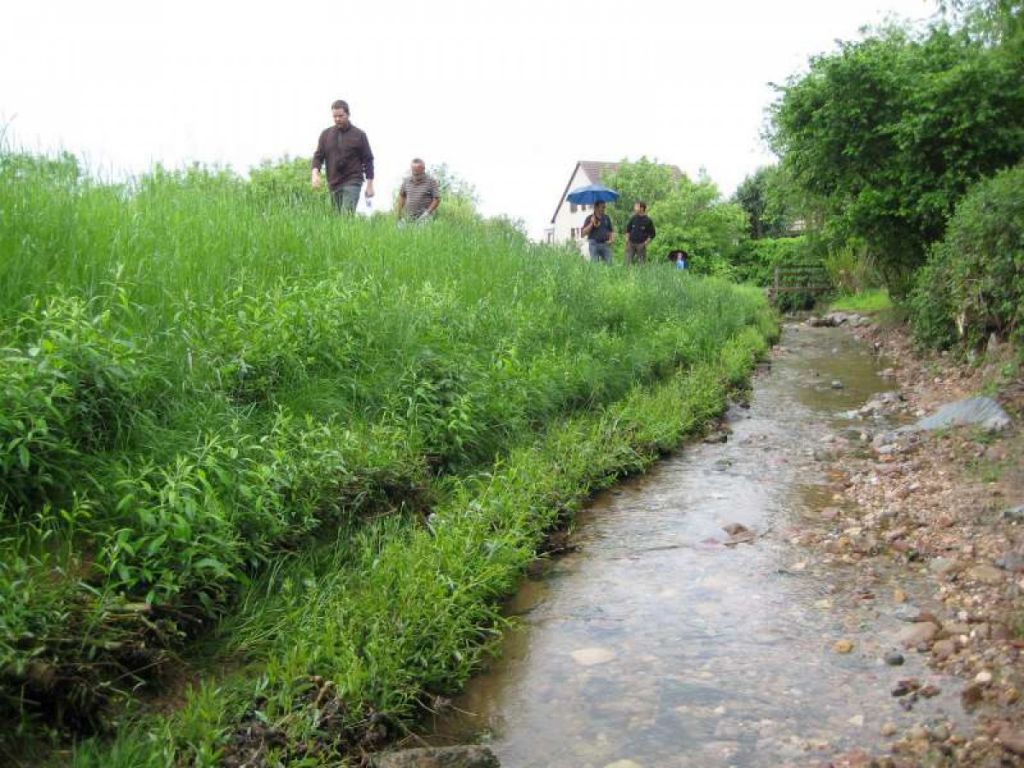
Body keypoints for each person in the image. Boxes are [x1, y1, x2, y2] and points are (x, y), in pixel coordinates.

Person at [311, 99, 375, 213]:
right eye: (335, 116)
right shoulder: (326, 135)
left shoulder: (359, 135)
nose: (337, 119)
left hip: (353, 181)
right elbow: (318, 156)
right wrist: (315, 174)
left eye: (341, 116)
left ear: (348, 114)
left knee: (346, 216)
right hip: (333, 183)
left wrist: (370, 185)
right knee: (336, 221)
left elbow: (368, 160)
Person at [396, 158, 441, 223]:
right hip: (408, 216)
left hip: (425, 217)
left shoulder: (431, 181)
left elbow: (437, 199)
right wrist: (399, 214)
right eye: (414, 173)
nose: (416, 175)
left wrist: (427, 213)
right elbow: (402, 196)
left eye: (418, 173)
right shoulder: (406, 181)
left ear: (423, 169)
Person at [624, 201, 656, 265]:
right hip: (631, 243)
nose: (634, 208)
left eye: (636, 206)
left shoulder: (648, 220)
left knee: (641, 264)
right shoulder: (633, 218)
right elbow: (627, 230)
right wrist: (627, 240)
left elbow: (652, 234)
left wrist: (645, 243)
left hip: (641, 244)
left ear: (641, 208)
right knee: (627, 263)